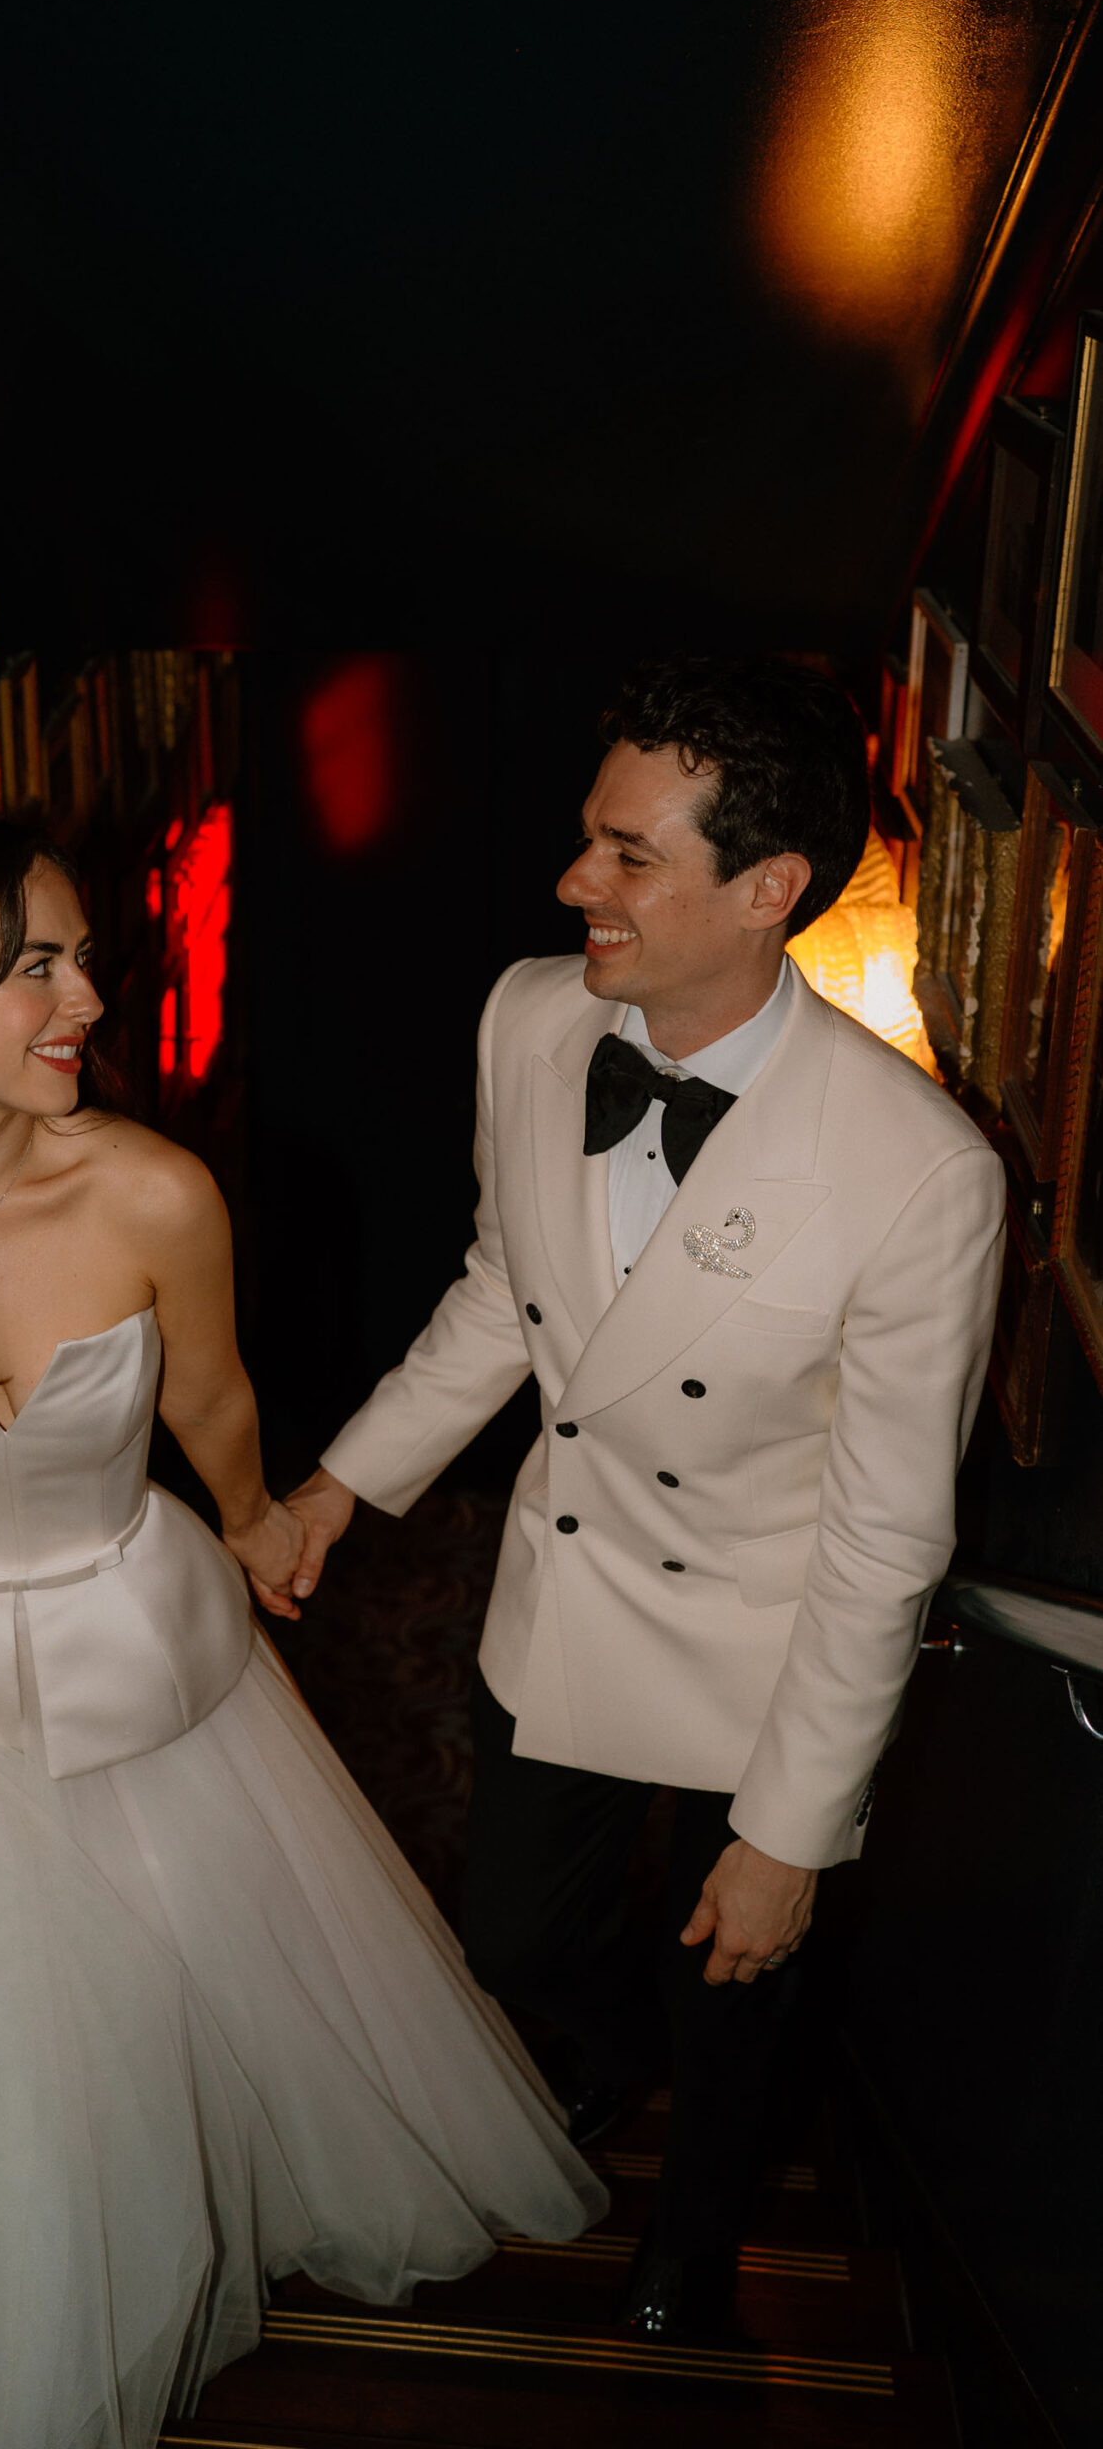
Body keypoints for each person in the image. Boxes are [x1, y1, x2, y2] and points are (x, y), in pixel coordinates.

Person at [0, 809, 603, 2449]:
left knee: (161, 1988)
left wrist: (259, 1521)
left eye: (79, 958)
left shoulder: (154, 1191)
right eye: (38, 966)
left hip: (126, 1644)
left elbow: (212, 1396)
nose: (90, 1000)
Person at [284, 655, 1006, 2341]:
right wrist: (346, 1481)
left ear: (768, 894)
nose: (571, 885)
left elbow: (887, 1536)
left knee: (738, 1986)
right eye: (583, 842)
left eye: (626, 858)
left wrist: (791, 1830)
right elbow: (500, 1294)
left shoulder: (922, 1174)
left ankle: (697, 2236)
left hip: (772, 1644)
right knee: (513, 1939)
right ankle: (602, 2057)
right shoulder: (531, 1018)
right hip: (580, 1591)